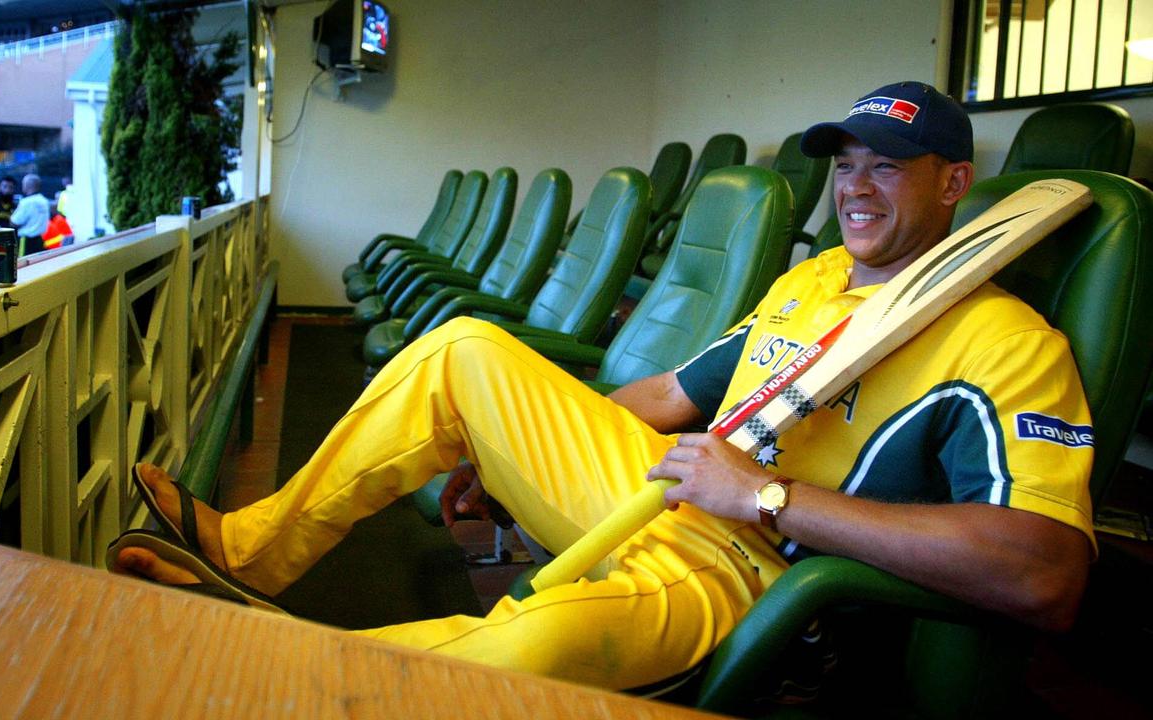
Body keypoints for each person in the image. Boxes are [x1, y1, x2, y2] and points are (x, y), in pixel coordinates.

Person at [111, 82, 1093, 691]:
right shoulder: (813, 281)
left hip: (755, 568)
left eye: (889, 168)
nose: (856, 189)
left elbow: (1045, 574)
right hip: (668, 486)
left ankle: (248, 678)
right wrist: (500, 455)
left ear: (955, 185)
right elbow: (670, 394)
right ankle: (248, 551)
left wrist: (767, 497)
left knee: (524, 651)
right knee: (465, 350)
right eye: (845, 167)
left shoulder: (1005, 340)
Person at [9, 173, 50, 256]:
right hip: (40, 240)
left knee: (23, 266)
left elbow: (14, 222)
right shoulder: (44, 201)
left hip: (26, 242)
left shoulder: (26, 202)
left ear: (27, 185)